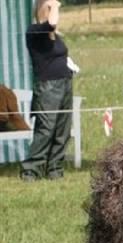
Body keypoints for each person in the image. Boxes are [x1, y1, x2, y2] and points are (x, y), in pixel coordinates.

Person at [20, 0, 75, 181]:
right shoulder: (34, 31)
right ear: (45, 10)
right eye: (50, 8)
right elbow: (50, 23)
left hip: (64, 83)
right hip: (48, 87)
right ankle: (31, 170)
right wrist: (54, 6)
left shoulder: (55, 35)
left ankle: (54, 169)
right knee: (46, 129)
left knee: (62, 129)